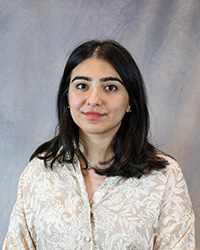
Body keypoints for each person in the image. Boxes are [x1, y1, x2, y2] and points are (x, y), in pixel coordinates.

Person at [3, 40, 195, 250]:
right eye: (82, 86)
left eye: (110, 87)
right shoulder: (39, 173)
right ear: (67, 97)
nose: (94, 99)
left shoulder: (165, 177)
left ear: (131, 101)